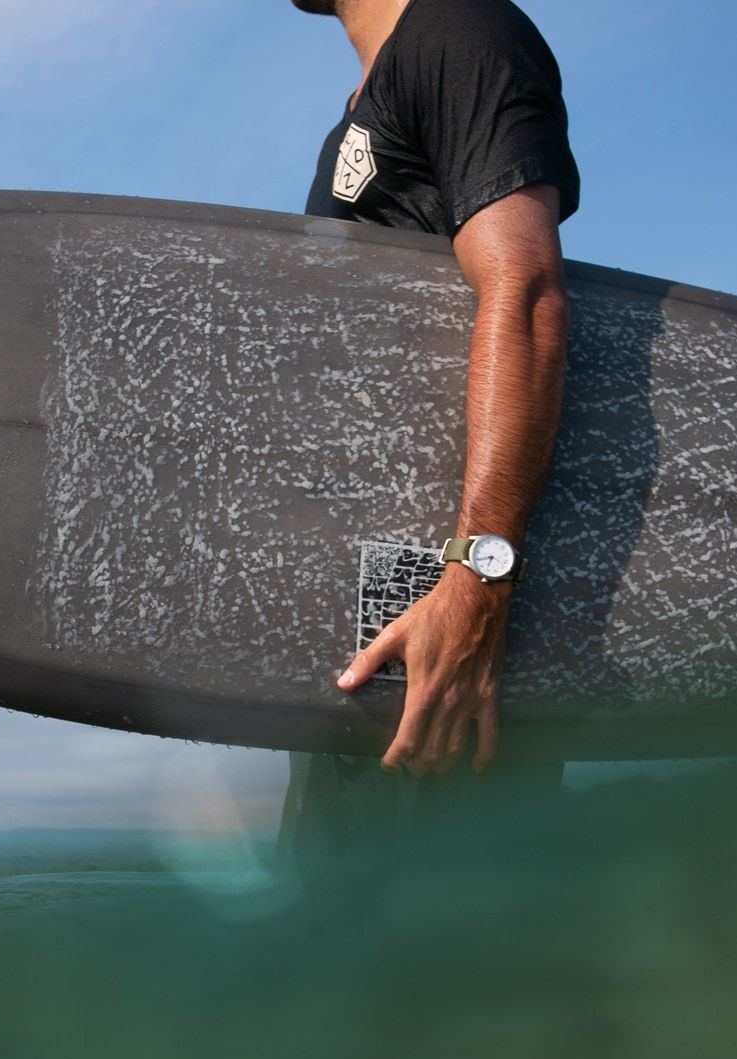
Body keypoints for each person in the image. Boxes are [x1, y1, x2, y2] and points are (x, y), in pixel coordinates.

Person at [282, 0, 578, 855]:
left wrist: (477, 579)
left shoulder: (459, 29)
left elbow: (526, 291)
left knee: (428, 920)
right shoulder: (361, 108)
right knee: (330, 912)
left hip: (440, 609)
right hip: (371, 619)